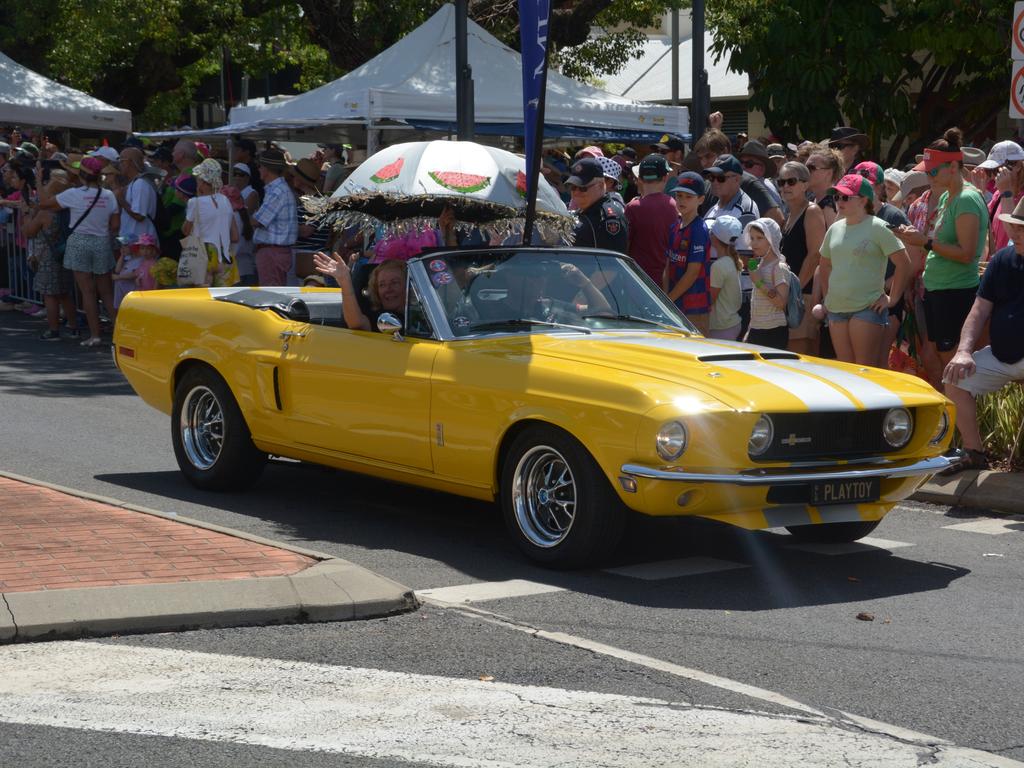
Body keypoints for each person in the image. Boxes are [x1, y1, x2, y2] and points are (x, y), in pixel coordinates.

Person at [894, 128, 989, 375]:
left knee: (950, 358)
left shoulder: (966, 199)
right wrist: (914, 238)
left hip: (955, 289)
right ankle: (947, 409)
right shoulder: (949, 195)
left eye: (934, 171)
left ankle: (958, 410)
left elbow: (967, 253)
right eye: (928, 172)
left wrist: (923, 241)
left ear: (954, 168)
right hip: (938, 288)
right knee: (932, 355)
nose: (930, 177)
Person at [941, 197, 1024, 473]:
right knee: (954, 378)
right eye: (1015, 226)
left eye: (1023, 228)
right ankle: (974, 452)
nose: (1016, 233)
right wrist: (964, 351)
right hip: (1001, 354)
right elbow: (979, 310)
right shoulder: (1002, 259)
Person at [819, 174, 912, 366]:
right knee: (847, 370)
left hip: (867, 308)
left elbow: (904, 263)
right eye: (837, 197)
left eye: (845, 197)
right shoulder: (834, 229)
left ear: (863, 200)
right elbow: (825, 264)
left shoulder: (879, 227)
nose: (839, 201)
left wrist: (892, 299)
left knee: (864, 370)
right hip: (836, 309)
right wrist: (827, 298)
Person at [42, 155, 119, 346]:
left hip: (79, 242)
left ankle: (95, 335)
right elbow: (115, 225)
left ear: (81, 174)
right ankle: (120, 334)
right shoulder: (109, 195)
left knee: (87, 292)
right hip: (101, 242)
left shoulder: (74, 194)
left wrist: (38, 180)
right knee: (107, 292)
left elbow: (44, 203)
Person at [777, 161, 826, 354]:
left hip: (802, 296)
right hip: (790, 295)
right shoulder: (789, 214)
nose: (785, 187)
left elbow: (815, 255)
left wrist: (792, 292)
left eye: (791, 181)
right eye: (781, 182)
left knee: (800, 357)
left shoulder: (812, 211)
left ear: (805, 184)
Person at [22, 174, 79, 340]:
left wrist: (26, 214)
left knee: (50, 295)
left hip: (47, 257)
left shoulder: (45, 214)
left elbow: (28, 232)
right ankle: (74, 327)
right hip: (65, 254)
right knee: (64, 293)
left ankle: (53, 329)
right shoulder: (69, 212)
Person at [664, 171, 712, 333]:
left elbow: (692, 273)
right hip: (674, 303)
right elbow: (668, 264)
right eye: (679, 195)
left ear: (701, 199)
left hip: (694, 308)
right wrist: (665, 296)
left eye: (689, 197)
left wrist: (668, 300)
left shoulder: (699, 230)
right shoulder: (675, 226)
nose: (682, 200)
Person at [313, 251, 406, 331]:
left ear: (408, 287)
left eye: (395, 283)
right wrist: (345, 281)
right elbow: (358, 324)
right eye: (382, 285)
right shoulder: (382, 319)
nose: (388, 289)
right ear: (376, 291)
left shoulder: (418, 314)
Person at [184, 158, 239, 287]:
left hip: (203, 253)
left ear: (203, 182)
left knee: (202, 300)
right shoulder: (225, 201)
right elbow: (235, 236)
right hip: (224, 255)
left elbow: (186, 231)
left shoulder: (194, 202)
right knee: (222, 300)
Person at [623, 154, 675, 281]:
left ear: (640, 178)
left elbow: (624, 245)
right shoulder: (674, 205)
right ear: (665, 177)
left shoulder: (632, 208)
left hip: (637, 279)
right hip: (666, 279)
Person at [251, 148, 297, 285]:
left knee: (270, 296)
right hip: (274, 251)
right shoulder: (279, 189)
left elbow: (257, 221)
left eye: (259, 166)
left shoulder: (277, 191)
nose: (258, 170)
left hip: (272, 252)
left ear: (265, 169)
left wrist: (241, 210)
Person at [743, 217, 790, 349]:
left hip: (774, 331)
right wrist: (749, 330)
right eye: (752, 238)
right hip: (756, 329)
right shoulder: (760, 264)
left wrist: (759, 283)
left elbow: (781, 303)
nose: (754, 243)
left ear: (771, 240)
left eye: (759, 238)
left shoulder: (779, 267)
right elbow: (756, 303)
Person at [568, 157, 628, 255]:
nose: (576, 192)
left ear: (600, 185)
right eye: (573, 187)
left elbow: (610, 265)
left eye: (583, 188)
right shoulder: (587, 209)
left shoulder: (607, 217)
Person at [980, 140, 1024, 253]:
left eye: (996, 170)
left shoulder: (1004, 193)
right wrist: (980, 191)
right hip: (1000, 263)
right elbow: (983, 224)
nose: (993, 177)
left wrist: (1006, 194)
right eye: (989, 171)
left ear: (1018, 165)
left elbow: (1015, 235)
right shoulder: (998, 194)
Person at [707, 216, 744, 341]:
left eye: (711, 232)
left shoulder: (718, 266)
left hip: (722, 328)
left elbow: (710, 300)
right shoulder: (732, 261)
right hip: (731, 324)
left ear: (715, 238)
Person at [113, 146, 157, 249]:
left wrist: (121, 200)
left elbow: (139, 216)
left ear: (130, 162)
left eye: (121, 161)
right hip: (133, 243)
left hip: (142, 247)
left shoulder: (140, 184)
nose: (120, 164)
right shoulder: (134, 183)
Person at [806, 149, 844, 228]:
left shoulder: (829, 206)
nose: (806, 171)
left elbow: (834, 238)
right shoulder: (816, 199)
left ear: (828, 173)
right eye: (805, 167)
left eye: (811, 168)